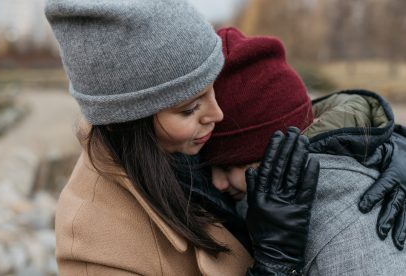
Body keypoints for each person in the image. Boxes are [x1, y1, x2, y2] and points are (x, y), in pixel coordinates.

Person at [46, 1, 320, 275]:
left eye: (214, 88)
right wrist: (274, 266)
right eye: (189, 108)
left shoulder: (180, 150)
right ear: (128, 122)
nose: (218, 113)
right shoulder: (92, 245)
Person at [199, 27, 406, 275]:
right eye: (210, 165)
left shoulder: (354, 225)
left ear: (280, 150)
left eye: (229, 166)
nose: (217, 182)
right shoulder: (254, 193)